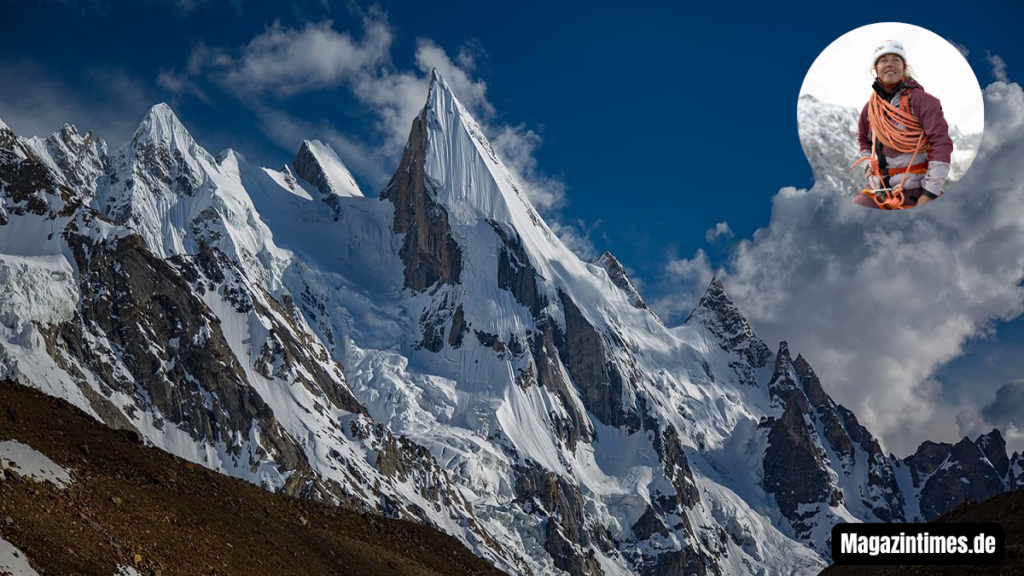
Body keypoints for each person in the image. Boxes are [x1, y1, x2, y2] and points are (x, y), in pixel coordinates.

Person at [852, 40, 953, 209]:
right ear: (876, 69)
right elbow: (863, 138)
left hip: (914, 190)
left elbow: (941, 142)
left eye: (895, 60)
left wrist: (929, 194)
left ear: (903, 67)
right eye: (883, 60)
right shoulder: (870, 107)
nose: (889, 64)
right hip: (877, 190)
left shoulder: (921, 100)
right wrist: (868, 165)